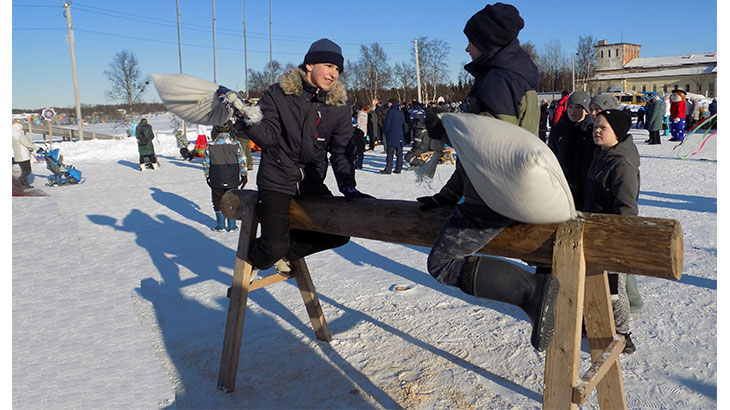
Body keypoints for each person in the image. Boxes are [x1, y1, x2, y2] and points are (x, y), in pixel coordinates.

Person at [417, 3, 558, 352]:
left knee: (442, 263)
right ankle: (533, 289)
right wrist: (447, 196)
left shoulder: (496, 80)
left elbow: (493, 147)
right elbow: (475, 158)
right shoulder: (509, 75)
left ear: (489, 42)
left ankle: (532, 291)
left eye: (472, 41)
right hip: (497, 189)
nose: (467, 48)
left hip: (494, 196)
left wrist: (443, 128)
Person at [231, 38, 373, 273]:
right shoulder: (278, 93)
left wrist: (348, 186)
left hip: (311, 181)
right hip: (277, 180)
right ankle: (254, 259)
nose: (333, 74)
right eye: (329, 66)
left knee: (338, 233)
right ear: (310, 65)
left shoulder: (337, 106)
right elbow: (268, 137)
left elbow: (341, 150)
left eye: (337, 69)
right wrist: (250, 118)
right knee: (273, 246)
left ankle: (284, 253)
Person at [585, 109, 639, 353]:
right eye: (596, 125)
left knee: (615, 288)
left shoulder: (622, 164)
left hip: (612, 236)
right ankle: (593, 323)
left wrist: (618, 241)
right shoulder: (601, 155)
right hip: (594, 231)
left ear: (616, 133)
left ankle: (623, 333)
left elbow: (627, 208)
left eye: (603, 127)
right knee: (593, 282)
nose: (597, 130)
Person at [547, 91, 594, 211]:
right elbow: (551, 155)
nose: (573, 111)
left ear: (586, 110)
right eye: (570, 107)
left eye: (578, 107)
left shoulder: (591, 131)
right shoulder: (558, 129)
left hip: (585, 187)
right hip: (563, 184)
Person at [203, 121, 248, 232]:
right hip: (232, 177)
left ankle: (220, 225)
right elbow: (242, 160)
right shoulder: (236, 144)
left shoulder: (210, 145)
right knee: (232, 200)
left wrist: (207, 175)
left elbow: (206, 162)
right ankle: (232, 226)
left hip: (216, 177)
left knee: (217, 200)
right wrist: (244, 175)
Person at [380, 98, 405, 174]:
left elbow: (387, 124)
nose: (388, 104)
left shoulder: (390, 112)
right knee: (399, 153)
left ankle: (388, 169)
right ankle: (398, 168)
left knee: (390, 154)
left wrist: (385, 132)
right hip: (400, 135)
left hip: (391, 135)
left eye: (389, 103)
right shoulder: (400, 112)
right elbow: (403, 123)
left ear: (392, 104)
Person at [12, 122, 36, 188]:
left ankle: (25, 184)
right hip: (23, 156)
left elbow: (20, 145)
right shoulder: (19, 135)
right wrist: (37, 147)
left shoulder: (12, 136)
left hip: (18, 156)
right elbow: (27, 144)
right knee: (27, 170)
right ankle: (20, 183)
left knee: (24, 170)